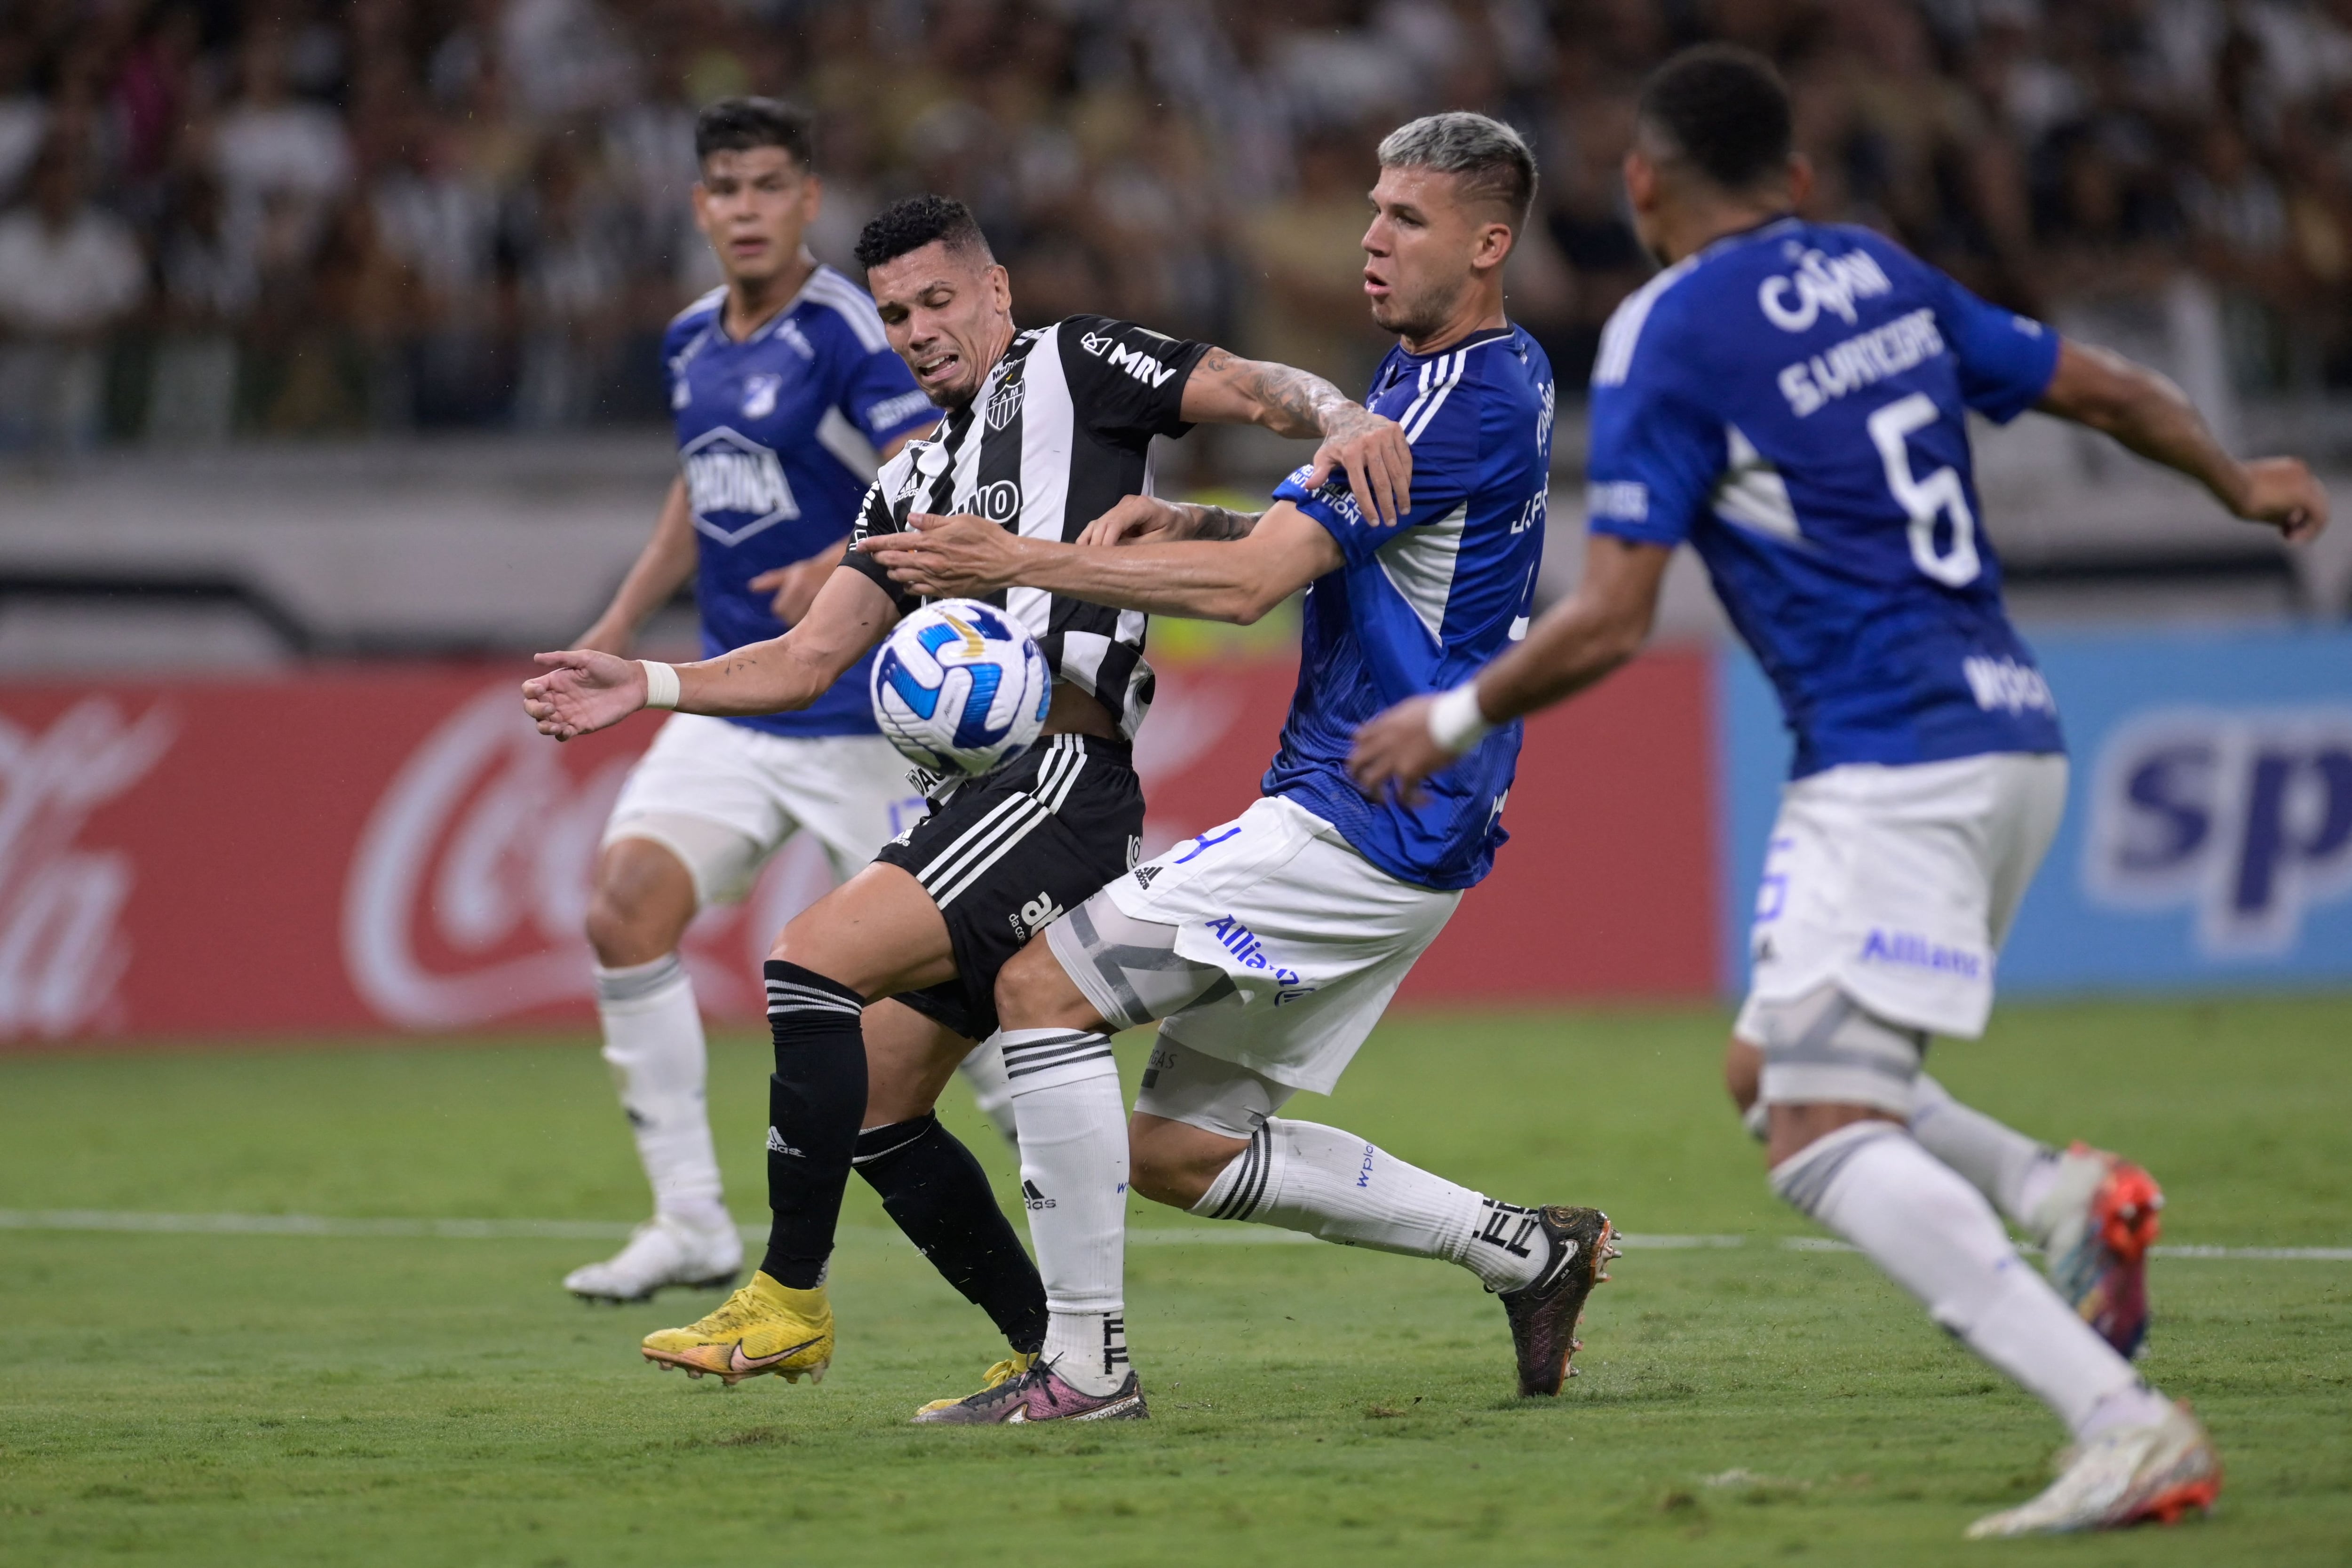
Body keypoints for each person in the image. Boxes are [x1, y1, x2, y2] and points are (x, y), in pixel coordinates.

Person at [1347, 47, 2330, 1538]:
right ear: (1796, 180)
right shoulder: (1878, 272)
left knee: (1815, 1129)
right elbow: (2106, 385)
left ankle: (2123, 1422)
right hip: (2016, 729)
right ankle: (2062, 1194)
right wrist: (2237, 481)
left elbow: (1613, 616)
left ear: (1642, 186)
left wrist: (1454, 711)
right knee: (1772, 1068)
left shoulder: (1671, 327)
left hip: (1895, 761)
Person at [521, 192, 1414, 1409]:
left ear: (995, 290)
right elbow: (805, 660)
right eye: (895, 314)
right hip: (977, 797)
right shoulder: (906, 482)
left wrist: (1343, 413)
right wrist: (649, 681)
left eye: (938, 300)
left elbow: (1251, 388)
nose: (918, 331)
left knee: (806, 964)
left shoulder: (1075, 365)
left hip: (1061, 777)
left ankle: (787, 1298)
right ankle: (1065, 1356)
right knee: (881, 1101)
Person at [859, 113, 1619, 1426]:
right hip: (1399, 818)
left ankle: (1084, 1368)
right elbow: (1329, 543)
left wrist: (1017, 559)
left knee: (1041, 985)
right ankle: (1524, 1249)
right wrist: (1201, 517)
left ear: (1490, 244)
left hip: (1360, 817)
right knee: (1177, 1148)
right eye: (1372, 208)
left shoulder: (1461, 394)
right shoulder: (1449, 374)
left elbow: (1252, 588)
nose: (1370, 238)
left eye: (1407, 218)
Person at [559, 97, 1008, 1307]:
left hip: (864, 720)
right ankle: (690, 1221)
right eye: (726, 188)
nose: (746, 209)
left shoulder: (850, 329)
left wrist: (839, 560)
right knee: (622, 910)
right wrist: (619, 620)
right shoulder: (690, 339)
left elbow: (928, 461)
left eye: (768, 186)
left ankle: (1073, 1181)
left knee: (962, 995)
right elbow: (698, 487)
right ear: (698, 205)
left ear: (808, 199)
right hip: (732, 703)